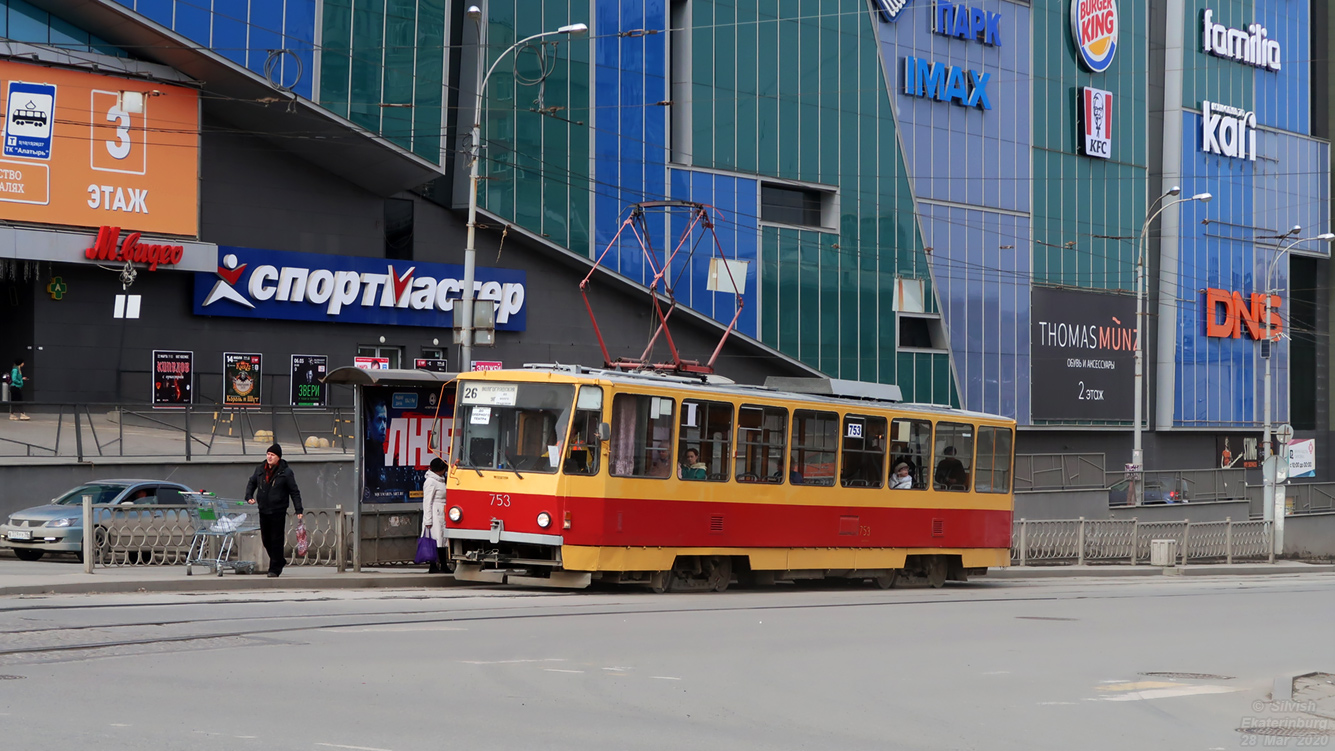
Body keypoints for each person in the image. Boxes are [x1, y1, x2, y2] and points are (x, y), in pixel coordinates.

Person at [246, 443, 304, 577]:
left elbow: (294, 491)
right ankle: (279, 560)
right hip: (263, 509)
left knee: (276, 539)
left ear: (278, 457)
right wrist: (248, 496)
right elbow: (252, 482)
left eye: (272, 455)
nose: (269, 457)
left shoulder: (286, 472)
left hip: (278, 510)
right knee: (266, 539)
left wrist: (298, 509)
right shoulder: (260, 469)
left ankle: (274, 569)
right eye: (268, 454)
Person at [421, 457, 448, 573]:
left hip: (442, 512)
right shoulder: (430, 482)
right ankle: (433, 566)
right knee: (435, 541)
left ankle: (443, 565)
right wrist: (428, 520)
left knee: (442, 540)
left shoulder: (441, 480)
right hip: (434, 513)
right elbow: (427, 502)